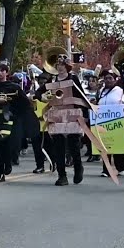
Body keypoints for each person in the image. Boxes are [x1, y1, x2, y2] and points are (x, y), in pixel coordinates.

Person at [35, 57, 88, 186]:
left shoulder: (73, 78)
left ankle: (78, 167)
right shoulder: (52, 79)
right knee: (58, 146)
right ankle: (62, 176)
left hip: (71, 114)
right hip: (57, 115)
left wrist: (85, 114)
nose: (59, 67)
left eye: (62, 65)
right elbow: (38, 92)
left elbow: (81, 95)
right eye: (58, 64)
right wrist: (43, 97)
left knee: (73, 144)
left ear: (67, 66)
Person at [0, 63, 34, 183]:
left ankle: (8, 162)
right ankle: (0, 172)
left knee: (7, 145)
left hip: (8, 119)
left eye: (2, 70)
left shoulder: (13, 87)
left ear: (7, 73)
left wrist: (14, 113)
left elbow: (25, 103)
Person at [95, 69, 124, 176]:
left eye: (110, 78)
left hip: (116, 122)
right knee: (105, 146)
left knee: (116, 146)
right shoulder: (101, 91)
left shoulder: (120, 91)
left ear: (115, 80)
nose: (108, 80)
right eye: (106, 78)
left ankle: (120, 166)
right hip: (103, 122)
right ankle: (106, 169)